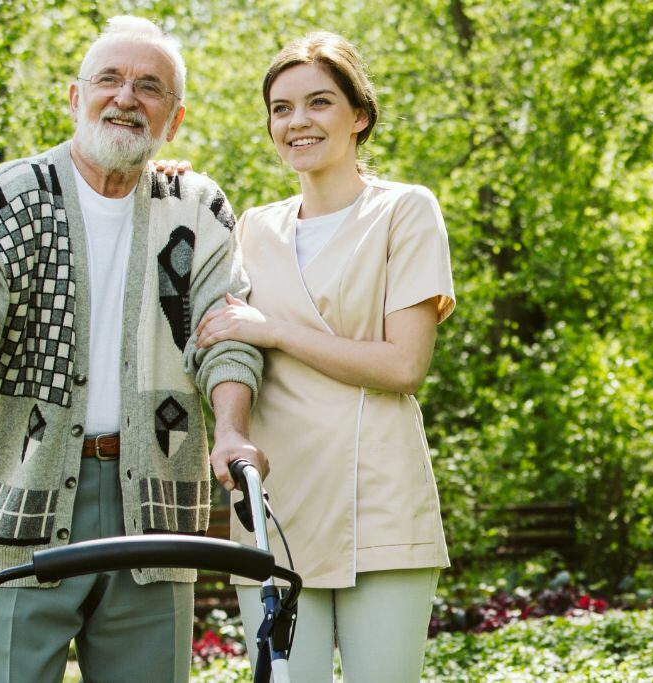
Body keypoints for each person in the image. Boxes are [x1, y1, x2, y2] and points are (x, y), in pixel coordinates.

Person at [0, 16, 266, 683]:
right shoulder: (11, 198)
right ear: (75, 97)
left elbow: (227, 335)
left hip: (153, 502)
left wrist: (232, 433)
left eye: (148, 86)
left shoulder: (195, 206)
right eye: (110, 79)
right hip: (18, 497)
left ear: (173, 118)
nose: (126, 96)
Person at [191, 31, 455, 682]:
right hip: (276, 500)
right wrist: (168, 180)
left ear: (358, 115)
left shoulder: (404, 211)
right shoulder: (253, 226)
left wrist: (273, 329)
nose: (297, 121)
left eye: (318, 103)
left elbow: (403, 366)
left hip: (380, 497)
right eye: (281, 108)